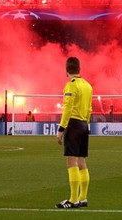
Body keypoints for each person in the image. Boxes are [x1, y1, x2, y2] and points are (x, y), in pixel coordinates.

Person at [55, 56, 93, 209]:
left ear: (66, 71)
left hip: (74, 124)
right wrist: (86, 123)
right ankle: (82, 198)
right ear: (79, 69)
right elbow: (90, 108)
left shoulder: (71, 86)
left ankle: (73, 199)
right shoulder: (88, 86)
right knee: (82, 161)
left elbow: (68, 108)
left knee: (71, 161)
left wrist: (61, 129)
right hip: (84, 124)